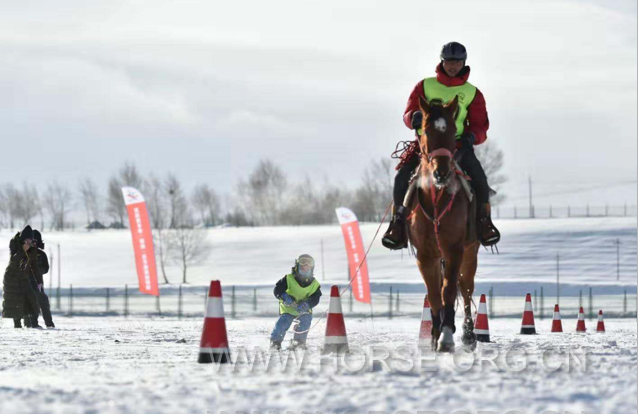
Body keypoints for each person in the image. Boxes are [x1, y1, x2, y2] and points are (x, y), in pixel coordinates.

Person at [382, 41, 501, 250]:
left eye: (457, 62)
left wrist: (472, 137)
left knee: (480, 180)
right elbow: (408, 113)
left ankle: (485, 223)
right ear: (442, 62)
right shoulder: (424, 86)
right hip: (426, 148)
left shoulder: (472, 93)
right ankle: (398, 224)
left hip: (457, 147)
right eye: (449, 61)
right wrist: (414, 117)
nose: (453, 66)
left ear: (464, 63)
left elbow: (480, 126)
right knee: (401, 178)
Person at [270, 254, 322, 350]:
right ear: (297, 266)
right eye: (303, 263)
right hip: (288, 308)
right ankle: (275, 342)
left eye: (308, 265)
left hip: (304, 310)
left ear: (312, 268)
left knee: (306, 321)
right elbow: (278, 289)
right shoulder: (288, 279)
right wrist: (283, 295)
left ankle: (298, 343)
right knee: (283, 323)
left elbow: (316, 298)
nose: (305, 266)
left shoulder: (315, 284)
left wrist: (308, 304)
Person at [3, 226, 40, 328]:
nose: (28, 244)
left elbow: (34, 265)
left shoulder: (31, 249)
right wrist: (23, 251)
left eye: (30, 241)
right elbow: (14, 263)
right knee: (16, 300)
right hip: (12, 277)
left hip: (22, 277)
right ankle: (17, 325)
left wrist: (39, 281)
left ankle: (32, 324)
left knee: (30, 298)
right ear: (23, 241)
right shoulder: (16, 249)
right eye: (27, 241)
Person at [27, 230, 54, 328]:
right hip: (26, 283)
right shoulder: (25, 253)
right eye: (31, 241)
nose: (33, 243)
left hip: (38, 283)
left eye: (35, 241)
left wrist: (37, 270)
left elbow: (46, 269)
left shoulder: (41, 254)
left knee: (43, 303)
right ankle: (32, 324)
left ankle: (49, 324)